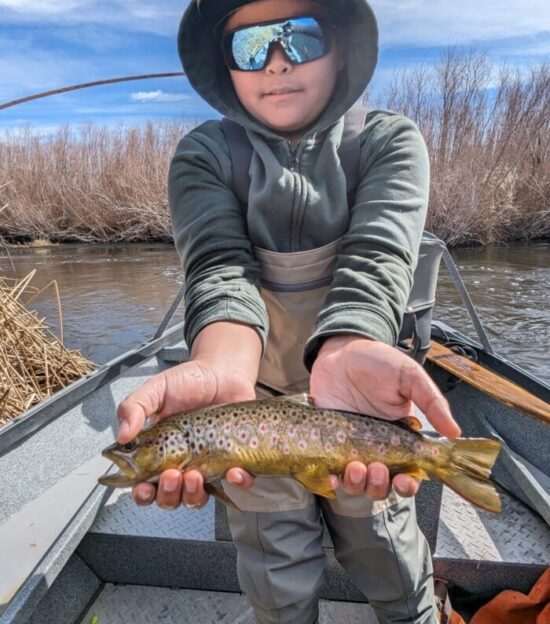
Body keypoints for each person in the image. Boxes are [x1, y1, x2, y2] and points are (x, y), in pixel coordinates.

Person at [117, 0, 461, 622]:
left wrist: (350, 346)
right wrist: (222, 371)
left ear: (342, 45)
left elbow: (375, 264)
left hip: (359, 398)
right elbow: (220, 267)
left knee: (385, 547)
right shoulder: (204, 155)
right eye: (249, 47)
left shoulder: (390, 142)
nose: (275, 62)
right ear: (224, 64)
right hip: (247, 404)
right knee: (275, 568)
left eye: (299, 37)